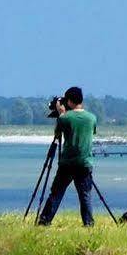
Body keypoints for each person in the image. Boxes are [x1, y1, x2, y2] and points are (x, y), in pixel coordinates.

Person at [37, 86, 99, 227]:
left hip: (67, 163)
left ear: (70, 101)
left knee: (56, 193)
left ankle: (44, 221)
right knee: (85, 195)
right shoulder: (92, 118)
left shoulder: (65, 118)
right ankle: (88, 224)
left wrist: (61, 114)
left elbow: (57, 135)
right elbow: (92, 132)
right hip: (85, 162)